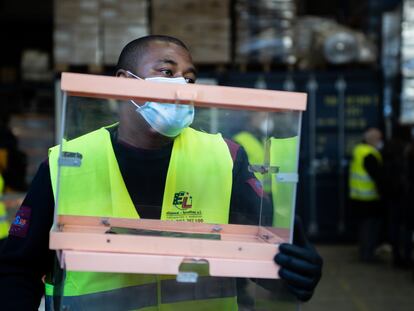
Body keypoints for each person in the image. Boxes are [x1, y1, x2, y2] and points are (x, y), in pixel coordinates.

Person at [0, 35, 322, 310]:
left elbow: (264, 256)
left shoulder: (226, 157)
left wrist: (293, 273)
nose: (182, 84)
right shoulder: (67, 163)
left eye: (191, 78)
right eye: (167, 71)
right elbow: (18, 270)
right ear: (125, 83)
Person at [349, 127, 385, 262]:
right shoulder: (369, 154)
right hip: (369, 198)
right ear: (373, 140)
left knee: (363, 228)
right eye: (379, 139)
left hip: (357, 196)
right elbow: (378, 176)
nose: (381, 141)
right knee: (370, 228)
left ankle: (364, 252)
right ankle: (368, 255)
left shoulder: (358, 150)